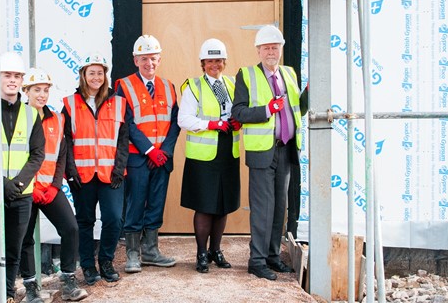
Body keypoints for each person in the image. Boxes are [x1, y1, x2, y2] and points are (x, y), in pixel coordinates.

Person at [232, 25, 308, 281]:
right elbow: (238, 113)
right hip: (262, 152)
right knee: (263, 207)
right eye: (266, 48)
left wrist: (309, 94)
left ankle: (273, 256)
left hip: (286, 149)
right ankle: (257, 260)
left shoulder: (289, 73)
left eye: (275, 47)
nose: (271, 51)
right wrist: (267, 109)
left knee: (280, 207)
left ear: (281, 49)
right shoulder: (246, 75)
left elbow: (298, 109)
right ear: (258, 50)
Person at [0, 52, 45, 303]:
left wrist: (18, 184)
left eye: (17, 76)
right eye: (7, 75)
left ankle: (7, 296)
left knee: (13, 252)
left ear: (22, 80)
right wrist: (1, 184)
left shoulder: (32, 114)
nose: (12, 80)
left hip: (21, 194)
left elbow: (38, 154)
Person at [18, 68, 88, 302]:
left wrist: (54, 186)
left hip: (49, 188)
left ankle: (68, 281)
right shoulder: (16, 118)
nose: (42, 95)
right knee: (25, 237)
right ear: (25, 91)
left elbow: (61, 155)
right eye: (37, 90)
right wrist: (31, 186)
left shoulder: (57, 119)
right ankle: (30, 287)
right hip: (25, 189)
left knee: (71, 228)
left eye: (46, 90)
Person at [114, 34, 180, 273]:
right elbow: (126, 123)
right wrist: (150, 150)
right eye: (144, 59)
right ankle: (133, 253)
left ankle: (151, 250)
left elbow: (175, 122)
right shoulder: (124, 85)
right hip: (137, 157)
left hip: (162, 158)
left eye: (153, 59)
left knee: (156, 203)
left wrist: (164, 151)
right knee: (135, 204)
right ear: (135, 60)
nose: (149, 63)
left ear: (159, 59)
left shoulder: (169, 86)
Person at [62, 53, 129, 285]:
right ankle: (88, 266)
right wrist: (70, 171)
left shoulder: (119, 102)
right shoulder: (69, 103)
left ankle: (107, 260)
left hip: (111, 174)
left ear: (105, 75)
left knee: (113, 219)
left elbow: (123, 139)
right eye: (92, 72)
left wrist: (119, 169)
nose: (96, 77)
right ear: (83, 74)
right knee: (85, 221)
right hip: (82, 175)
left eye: (100, 73)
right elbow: (66, 142)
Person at [177, 38, 242, 273]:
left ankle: (216, 250)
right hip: (203, 156)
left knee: (223, 205)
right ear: (202, 63)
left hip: (227, 152)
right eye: (210, 60)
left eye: (219, 60)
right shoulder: (193, 86)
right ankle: (201, 253)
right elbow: (183, 119)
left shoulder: (233, 83)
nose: (215, 64)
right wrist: (212, 124)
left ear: (224, 61)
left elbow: (240, 110)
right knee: (205, 206)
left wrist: (239, 121)